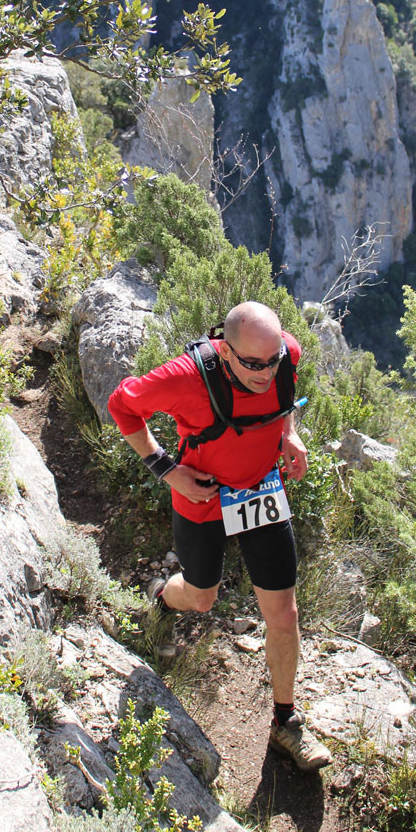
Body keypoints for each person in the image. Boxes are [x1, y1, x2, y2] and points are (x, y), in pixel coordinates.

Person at [107, 300, 331, 772]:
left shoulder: (283, 356)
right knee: (202, 598)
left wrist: (288, 433)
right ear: (224, 350)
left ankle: (285, 723)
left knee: (284, 615)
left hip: (260, 491)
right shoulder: (185, 378)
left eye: (272, 362)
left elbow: (283, 397)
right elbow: (122, 406)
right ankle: (164, 600)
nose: (265, 373)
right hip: (203, 499)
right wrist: (167, 470)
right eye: (252, 364)